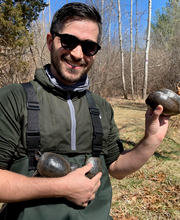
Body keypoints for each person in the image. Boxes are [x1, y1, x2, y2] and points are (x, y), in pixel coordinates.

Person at [0, 2, 169, 220]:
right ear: (51, 41)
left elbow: (116, 168)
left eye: (89, 47)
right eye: (69, 41)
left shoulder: (100, 107)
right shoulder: (14, 98)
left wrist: (151, 140)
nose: (78, 54)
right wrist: (61, 187)